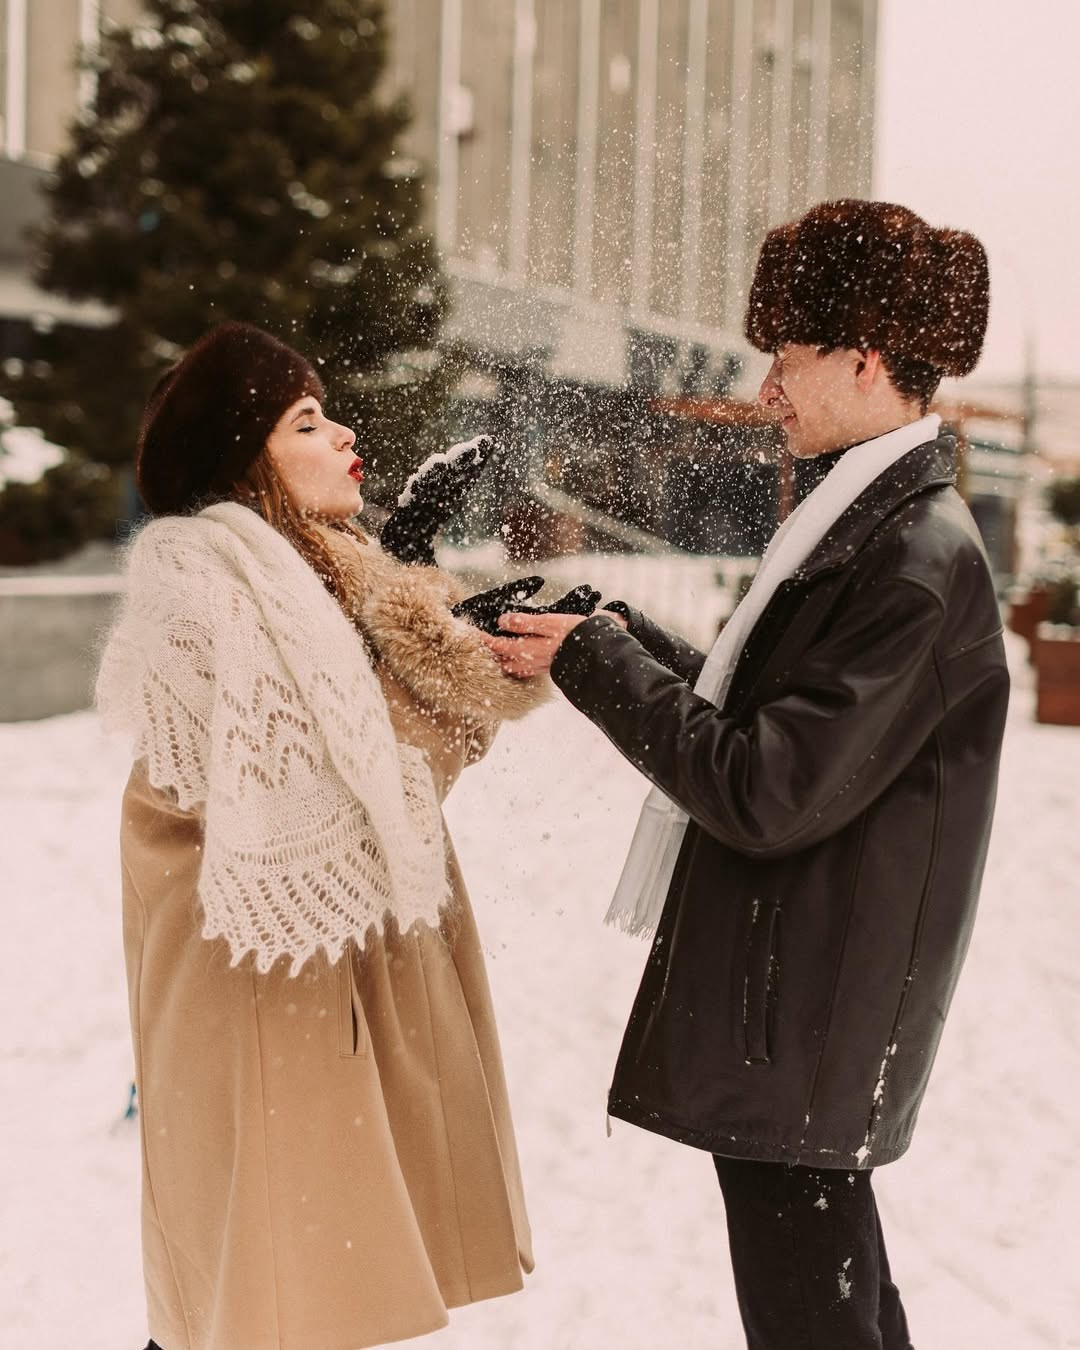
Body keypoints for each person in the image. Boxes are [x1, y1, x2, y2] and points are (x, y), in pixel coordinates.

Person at [483, 200, 1010, 1349]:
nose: (766, 388)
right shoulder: (870, 528)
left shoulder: (909, 559)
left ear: (863, 362)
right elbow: (769, 718)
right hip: (808, 999)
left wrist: (601, 662)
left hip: (811, 1006)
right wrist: (611, 630)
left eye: (787, 356)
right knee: (840, 1302)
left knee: (812, 1318)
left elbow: (763, 786)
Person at [96, 321, 587, 1350]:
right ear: (245, 457)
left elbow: (388, 771)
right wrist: (415, 641)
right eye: (307, 420)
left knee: (307, 1294)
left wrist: (428, 622)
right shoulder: (200, 585)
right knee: (258, 1297)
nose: (344, 433)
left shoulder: (327, 580)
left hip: (332, 972)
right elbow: (316, 790)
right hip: (254, 986)